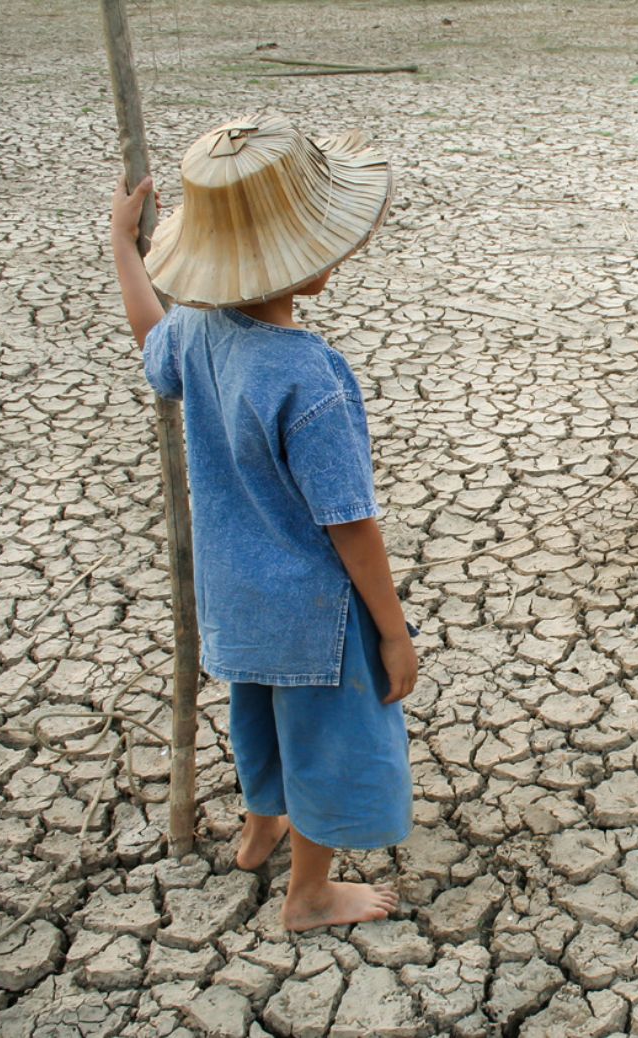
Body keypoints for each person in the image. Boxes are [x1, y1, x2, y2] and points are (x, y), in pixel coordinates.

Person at [109, 114, 416, 931]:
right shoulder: (308, 375)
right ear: (311, 262)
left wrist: (123, 249)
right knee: (324, 740)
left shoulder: (199, 333)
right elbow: (350, 522)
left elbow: (152, 338)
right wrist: (392, 629)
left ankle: (258, 830)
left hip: (234, 594)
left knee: (260, 717)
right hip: (313, 610)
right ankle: (309, 893)